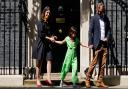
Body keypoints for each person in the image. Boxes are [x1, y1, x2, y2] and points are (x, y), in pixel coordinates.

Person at [85, 2, 111, 88]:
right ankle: (88, 79)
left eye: (103, 7)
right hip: (97, 43)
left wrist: (107, 37)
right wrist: (90, 43)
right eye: (101, 7)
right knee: (94, 62)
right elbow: (90, 31)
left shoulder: (106, 18)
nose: (102, 9)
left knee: (103, 64)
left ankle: (100, 81)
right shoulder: (94, 18)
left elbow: (109, 30)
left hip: (104, 43)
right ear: (97, 9)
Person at [32, 6, 56, 87]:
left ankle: (48, 79)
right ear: (44, 13)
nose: (48, 14)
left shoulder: (48, 23)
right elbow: (41, 34)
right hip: (41, 44)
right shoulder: (40, 23)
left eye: (49, 13)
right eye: (47, 12)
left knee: (49, 60)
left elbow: (50, 33)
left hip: (48, 44)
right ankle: (38, 80)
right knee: (40, 62)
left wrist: (53, 36)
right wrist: (49, 38)